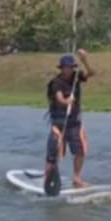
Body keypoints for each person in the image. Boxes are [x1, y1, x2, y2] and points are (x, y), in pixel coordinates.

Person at [45, 50, 95, 191]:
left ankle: (77, 178)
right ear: (61, 68)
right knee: (53, 151)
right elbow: (59, 97)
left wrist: (84, 59)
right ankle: (48, 178)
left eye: (71, 67)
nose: (69, 70)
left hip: (74, 122)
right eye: (67, 67)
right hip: (59, 122)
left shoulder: (76, 77)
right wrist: (66, 101)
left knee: (80, 150)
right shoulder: (56, 82)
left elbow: (91, 73)